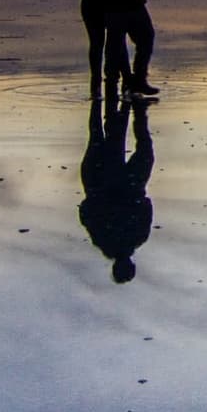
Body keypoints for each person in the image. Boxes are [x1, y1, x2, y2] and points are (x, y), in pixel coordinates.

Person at [79, 90, 154, 283]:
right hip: (111, 185)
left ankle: (132, 106)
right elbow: (86, 213)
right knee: (102, 134)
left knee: (115, 138)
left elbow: (146, 206)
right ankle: (129, 104)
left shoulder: (133, 238)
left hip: (110, 185)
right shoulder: (111, 240)